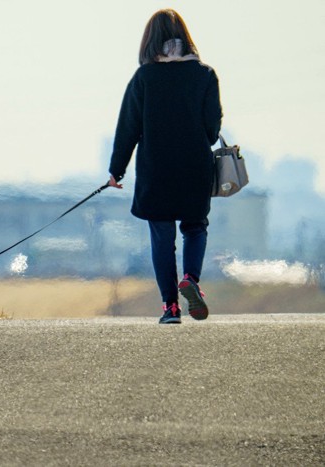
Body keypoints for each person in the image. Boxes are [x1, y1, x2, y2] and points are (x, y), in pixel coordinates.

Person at [107, 9, 222, 324]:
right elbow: (212, 130)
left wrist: (117, 170)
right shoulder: (205, 75)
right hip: (194, 166)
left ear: (150, 40)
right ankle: (191, 281)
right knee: (195, 227)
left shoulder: (144, 78)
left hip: (155, 168)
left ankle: (170, 308)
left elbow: (127, 127)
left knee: (161, 235)